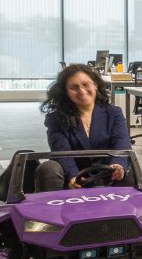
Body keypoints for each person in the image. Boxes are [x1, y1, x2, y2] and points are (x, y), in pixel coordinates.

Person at [37, 63, 132, 192]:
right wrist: (73, 176)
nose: (81, 91)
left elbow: (122, 144)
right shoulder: (56, 119)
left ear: (95, 85)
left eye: (86, 85)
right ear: (66, 92)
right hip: (73, 179)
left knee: (129, 168)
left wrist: (118, 166)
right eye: (74, 87)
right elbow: (61, 152)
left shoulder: (114, 113)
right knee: (48, 167)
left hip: (109, 175)